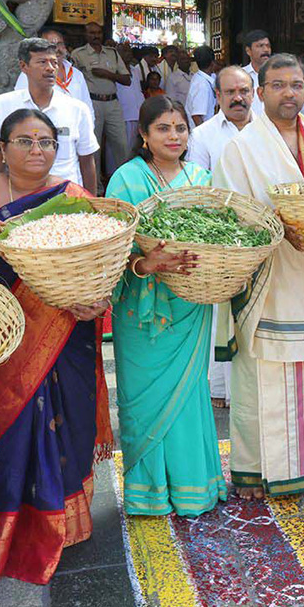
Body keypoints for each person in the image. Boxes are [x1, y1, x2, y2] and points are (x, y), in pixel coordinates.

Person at [0, 107, 112, 588]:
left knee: (67, 424)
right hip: (5, 336)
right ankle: (3, 535)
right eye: (25, 141)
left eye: (46, 142)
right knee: (6, 429)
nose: (37, 150)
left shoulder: (72, 196)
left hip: (65, 332)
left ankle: (61, 528)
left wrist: (96, 300)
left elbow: (97, 260)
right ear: (3, 147)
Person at [213, 53, 304, 497]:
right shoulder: (240, 149)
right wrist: (277, 224)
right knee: (261, 377)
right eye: (278, 85)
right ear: (260, 92)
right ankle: (254, 471)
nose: (289, 93)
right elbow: (227, 215)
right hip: (268, 283)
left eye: (296, 85)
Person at [103, 96, 226, 516]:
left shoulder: (202, 178)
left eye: (180, 128)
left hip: (190, 301)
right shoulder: (126, 179)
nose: (174, 136)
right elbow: (110, 250)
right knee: (144, 399)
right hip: (141, 309)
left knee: (191, 392)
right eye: (163, 129)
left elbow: (219, 237)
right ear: (143, 134)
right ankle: (149, 493)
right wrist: (145, 263)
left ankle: (194, 485)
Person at [187, 66, 257, 406]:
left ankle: (251, 391)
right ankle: (220, 390)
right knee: (222, 313)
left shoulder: (268, 131)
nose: (238, 98)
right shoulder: (203, 136)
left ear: (254, 93)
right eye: (230, 92)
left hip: (262, 237)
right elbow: (198, 188)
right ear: (217, 97)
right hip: (222, 239)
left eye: (244, 91)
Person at [0, 37, 98, 193]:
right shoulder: (3, 105)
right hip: (19, 199)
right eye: (42, 62)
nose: (50, 68)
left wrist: (92, 205)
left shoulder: (77, 109)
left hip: (66, 200)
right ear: (24, 66)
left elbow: (87, 162)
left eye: (54, 62)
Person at [70, 21, 131, 178]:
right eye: (92, 33)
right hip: (92, 103)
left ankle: (124, 181)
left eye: (98, 33)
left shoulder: (112, 53)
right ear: (86, 34)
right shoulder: (78, 54)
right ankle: (95, 186)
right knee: (93, 146)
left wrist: (108, 74)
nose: (96, 36)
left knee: (122, 145)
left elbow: (126, 80)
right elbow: (72, 81)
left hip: (113, 103)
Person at [13, 26, 93, 116]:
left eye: (59, 44)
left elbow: (87, 106)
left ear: (65, 46)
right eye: (51, 45)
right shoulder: (29, 73)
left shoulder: (76, 74)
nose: (56, 49)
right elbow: (20, 106)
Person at [242, 29, 272, 117]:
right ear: (248, 51)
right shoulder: (240, 76)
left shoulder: (278, 75)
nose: (266, 50)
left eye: (268, 46)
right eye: (260, 46)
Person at [185, 46, 218, 126]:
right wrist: (204, 136)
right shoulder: (202, 84)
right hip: (202, 133)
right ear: (213, 63)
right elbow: (197, 116)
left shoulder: (206, 78)